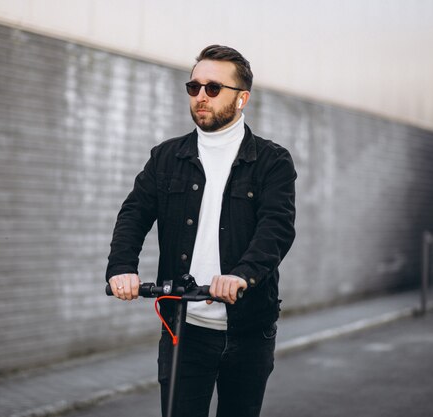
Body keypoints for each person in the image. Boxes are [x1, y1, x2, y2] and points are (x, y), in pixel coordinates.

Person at [106, 44, 297, 417]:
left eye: (213, 88)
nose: (201, 96)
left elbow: (277, 227)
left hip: (249, 331)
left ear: (242, 99)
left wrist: (242, 275)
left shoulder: (272, 161)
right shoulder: (166, 157)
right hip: (183, 329)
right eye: (193, 87)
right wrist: (121, 267)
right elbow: (134, 213)